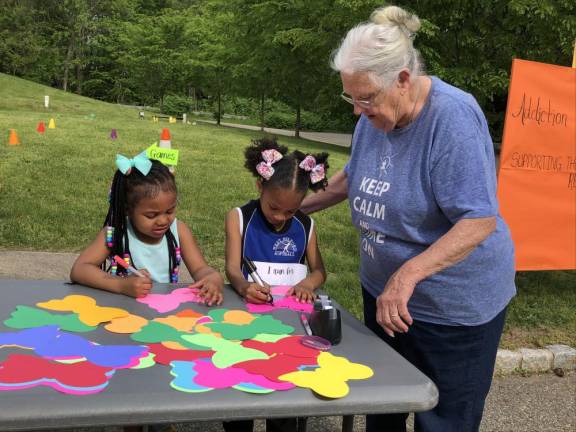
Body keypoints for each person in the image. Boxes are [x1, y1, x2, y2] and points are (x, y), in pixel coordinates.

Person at [300, 5, 516, 432]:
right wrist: (291, 206)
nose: (357, 111)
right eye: (351, 97)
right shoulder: (374, 115)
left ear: (402, 79)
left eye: (365, 98)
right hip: (385, 299)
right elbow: (352, 178)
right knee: (383, 405)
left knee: (443, 420)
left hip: (450, 311)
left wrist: (406, 277)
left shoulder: (452, 117)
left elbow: (478, 219)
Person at [223, 137, 329, 432]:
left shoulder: (306, 226)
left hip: (290, 324)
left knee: (286, 395)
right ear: (260, 186)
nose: (281, 217)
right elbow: (232, 268)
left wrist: (309, 282)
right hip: (245, 322)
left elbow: (320, 270)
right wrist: (244, 287)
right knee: (242, 393)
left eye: (291, 211)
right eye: (274, 208)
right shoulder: (239, 218)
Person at [70, 152, 224, 306]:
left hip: (164, 312)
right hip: (122, 312)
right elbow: (79, 269)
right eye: (151, 215)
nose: (163, 220)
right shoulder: (115, 234)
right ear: (127, 209)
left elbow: (200, 269)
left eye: (170, 211)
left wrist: (211, 276)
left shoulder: (179, 231)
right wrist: (121, 285)